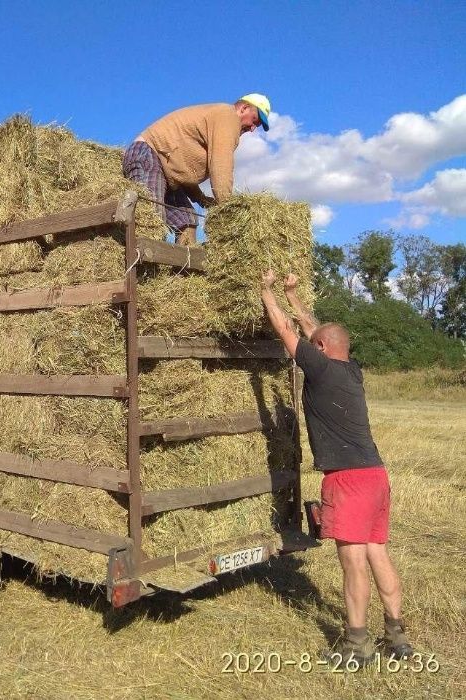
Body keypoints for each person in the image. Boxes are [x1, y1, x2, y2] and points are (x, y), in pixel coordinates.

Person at [260, 270, 413, 666]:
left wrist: (267, 291)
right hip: (377, 476)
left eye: (315, 347)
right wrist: (295, 296)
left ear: (322, 349)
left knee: (353, 562)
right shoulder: (351, 370)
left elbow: (285, 330)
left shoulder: (321, 368)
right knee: (378, 551)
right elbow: (316, 329)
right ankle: (397, 637)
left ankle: (356, 643)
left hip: (347, 479)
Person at [123, 94, 270, 247]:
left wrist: (202, 200)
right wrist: (228, 208)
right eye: (254, 120)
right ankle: (142, 266)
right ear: (244, 108)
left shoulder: (220, 120)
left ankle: (180, 268)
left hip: (167, 174)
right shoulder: (228, 116)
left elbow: (184, 172)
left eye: (257, 126)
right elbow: (221, 165)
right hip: (149, 154)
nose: (253, 129)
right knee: (152, 216)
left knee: (187, 220)